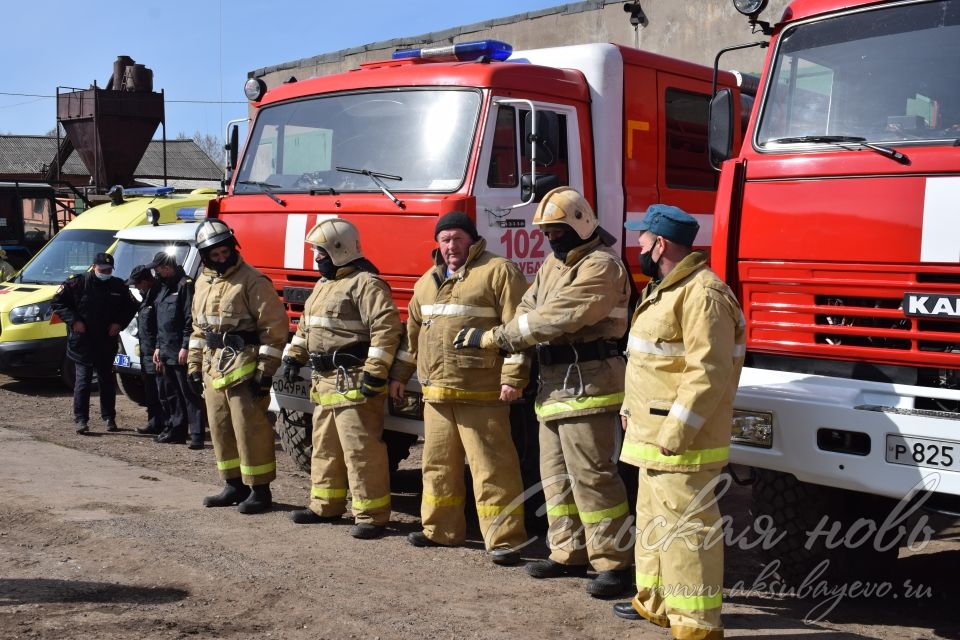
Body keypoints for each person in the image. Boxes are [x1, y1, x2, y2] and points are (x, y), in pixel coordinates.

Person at [455, 187, 633, 597]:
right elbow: (527, 308)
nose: (550, 238)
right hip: (554, 387)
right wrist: (515, 336)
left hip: (591, 384)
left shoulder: (602, 266)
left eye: (556, 230)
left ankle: (613, 563)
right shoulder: (553, 266)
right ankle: (568, 553)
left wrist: (496, 338)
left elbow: (558, 316)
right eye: (546, 232)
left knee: (593, 478)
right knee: (555, 479)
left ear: (580, 224)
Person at [612, 205, 745, 640]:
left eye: (643, 239)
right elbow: (652, 365)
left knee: (687, 529)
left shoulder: (702, 294)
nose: (639, 247)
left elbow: (707, 371)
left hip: (682, 440)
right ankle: (658, 603)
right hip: (653, 434)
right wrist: (631, 412)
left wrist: (676, 431)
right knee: (653, 521)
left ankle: (697, 622)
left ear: (661, 243)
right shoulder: (666, 288)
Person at [388, 210, 529, 566]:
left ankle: (505, 539)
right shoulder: (426, 282)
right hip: (436, 393)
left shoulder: (499, 271)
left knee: (492, 468)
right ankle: (440, 530)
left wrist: (513, 379)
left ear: (473, 240)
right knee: (436, 466)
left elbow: (519, 330)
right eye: (445, 239)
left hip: (481, 392)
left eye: (458, 239)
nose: (452, 246)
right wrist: (400, 376)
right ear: (438, 244)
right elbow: (412, 338)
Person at [281, 218, 402, 540]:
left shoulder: (367, 283)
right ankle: (325, 506)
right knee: (325, 447)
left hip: (354, 381)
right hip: (324, 381)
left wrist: (376, 373)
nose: (315, 258)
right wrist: (294, 357)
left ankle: (372, 516)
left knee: (361, 450)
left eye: (319, 252)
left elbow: (386, 329)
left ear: (338, 250)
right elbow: (307, 327)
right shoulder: (323, 285)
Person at [186, 220, 288, 514]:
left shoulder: (253, 280)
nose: (220, 259)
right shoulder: (203, 282)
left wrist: (264, 372)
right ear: (205, 257)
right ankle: (233, 484)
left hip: (245, 368)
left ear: (232, 248)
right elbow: (197, 329)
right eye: (213, 255)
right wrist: (194, 366)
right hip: (212, 367)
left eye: (224, 252)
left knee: (250, 430)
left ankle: (259, 490)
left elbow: (275, 329)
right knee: (220, 428)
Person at [51, 252, 138, 434]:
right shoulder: (77, 283)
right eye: (102, 269)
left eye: (109, 270)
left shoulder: (117, 286)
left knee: (106, 381)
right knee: (82, 381)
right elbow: (58, 302)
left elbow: (131, 306)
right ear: (94, 267)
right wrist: (74, 321)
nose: (105, 272)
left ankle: (109, 418)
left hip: (106, 341)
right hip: (83, 342)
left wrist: (119, 323)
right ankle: (81, 420)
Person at [150, 251, 205, 449]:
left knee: (189, 393)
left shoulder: (185, 285)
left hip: (180, 350)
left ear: (167, 267)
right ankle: (177, 431)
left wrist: (185, 346)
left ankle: (197, 435)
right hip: (165, 348)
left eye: (158, 269)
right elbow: (160, 319)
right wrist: (157, 346)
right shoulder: (164, 287)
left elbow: (190, 319)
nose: (156, 273)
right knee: (171, 392)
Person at [126, 265, 166, 437]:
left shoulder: (159, 295)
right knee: (151, 390)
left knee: (162, 391)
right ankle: (154, 423)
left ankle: (168, 424)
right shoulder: (147, 296)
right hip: (146, 350)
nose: (136, 287)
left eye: (137, 284)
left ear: (145, 281)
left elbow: (162, 326)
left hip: (157, 351)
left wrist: (158, 347)